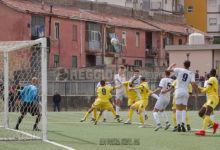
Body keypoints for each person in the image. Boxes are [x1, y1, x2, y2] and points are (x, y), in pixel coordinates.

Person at [167, 61, 198, 132]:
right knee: (184, 108)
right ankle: (183, 123)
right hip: (185, 91)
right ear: (189, 66)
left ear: (183, 65)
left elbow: (168, 70)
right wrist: (196, 93)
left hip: (178, 90)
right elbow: (193, 84)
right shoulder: (191, 73)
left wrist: (171, 65)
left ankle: (178, 124)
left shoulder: (180, 69)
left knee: (177, 108)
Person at [195, 69, 219, 136]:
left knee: (207, 113)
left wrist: (200, 89)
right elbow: (208, 89)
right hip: (210, 98)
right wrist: (198, 87)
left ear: (210, 73)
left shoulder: (211, 79)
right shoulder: (214, 79)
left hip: (213, 98)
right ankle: (214, 124)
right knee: (200, 113)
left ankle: (203, 131)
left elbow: (207, 89)